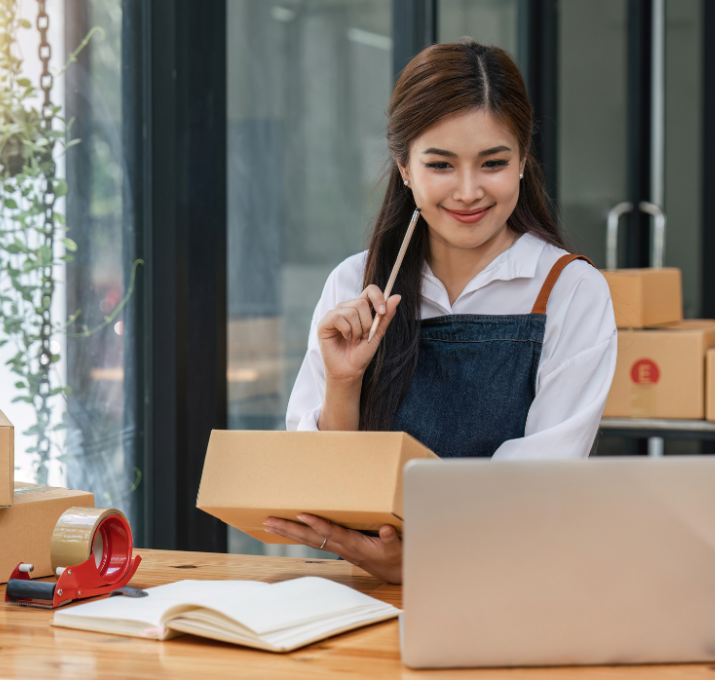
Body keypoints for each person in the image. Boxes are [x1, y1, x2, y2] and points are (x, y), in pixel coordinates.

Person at [264, 40, 617, 583]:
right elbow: (320, 485)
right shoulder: (354, 284)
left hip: (517, 587)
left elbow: (545, 477)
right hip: (371, 595)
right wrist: (342, 381)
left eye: (493, 162)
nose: (469, 191)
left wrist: (427, 555)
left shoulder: (570, 289)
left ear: (523, 161)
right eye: (441, 164)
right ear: (405, 168)